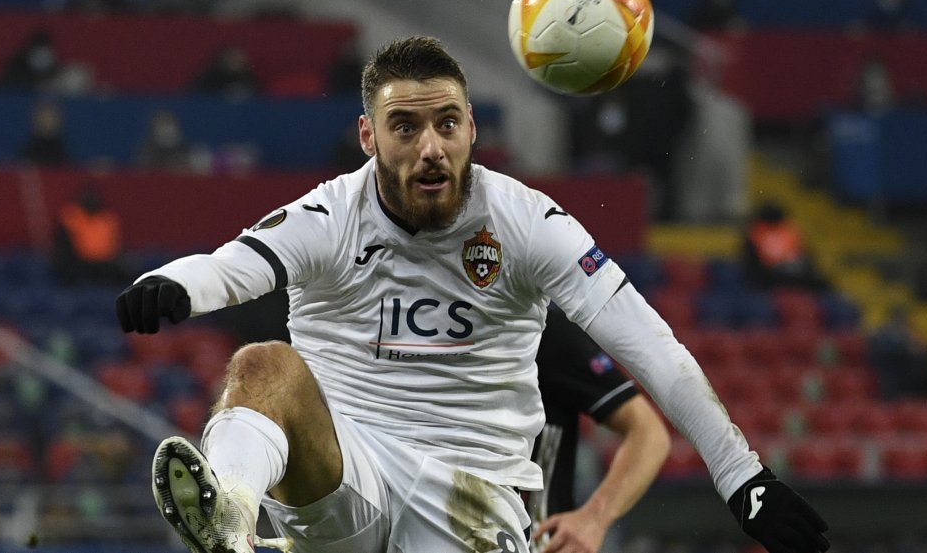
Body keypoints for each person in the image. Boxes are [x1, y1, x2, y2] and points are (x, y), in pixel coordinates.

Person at [115, 36, 829, 553]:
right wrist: (172, 285)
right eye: (405, 127)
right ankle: (232, 522)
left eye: (447, 123)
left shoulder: (527, 224)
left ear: (471, 129)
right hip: (350, 473)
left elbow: (653, 349)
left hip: (472, 492)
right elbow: (230, 266)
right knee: (263, 366)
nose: (431, 146)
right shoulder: (330, 215)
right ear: (368, 136)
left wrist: (742, 478)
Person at [529, 308, 670, 553]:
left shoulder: (542, 328)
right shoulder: (454, 332)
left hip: (534, 541)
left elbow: (649, 432)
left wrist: (594, 517)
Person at [742, 201, 828, 292]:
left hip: (792, 269)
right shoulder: (756, 231)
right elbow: (757, 261)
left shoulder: (789, 229)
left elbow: (802, 252)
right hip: (770, 274)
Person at [53, 185, 128, 286]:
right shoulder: (71, 217)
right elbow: (63, 248)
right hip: (79, 264)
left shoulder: (107, 219)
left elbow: (116, 246)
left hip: (106, 264)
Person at [20, 100, 71, 167]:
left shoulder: (64, 157)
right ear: (35, 120)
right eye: (44, 116)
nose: (47, 120)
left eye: (52, 116)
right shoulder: (25, 156)